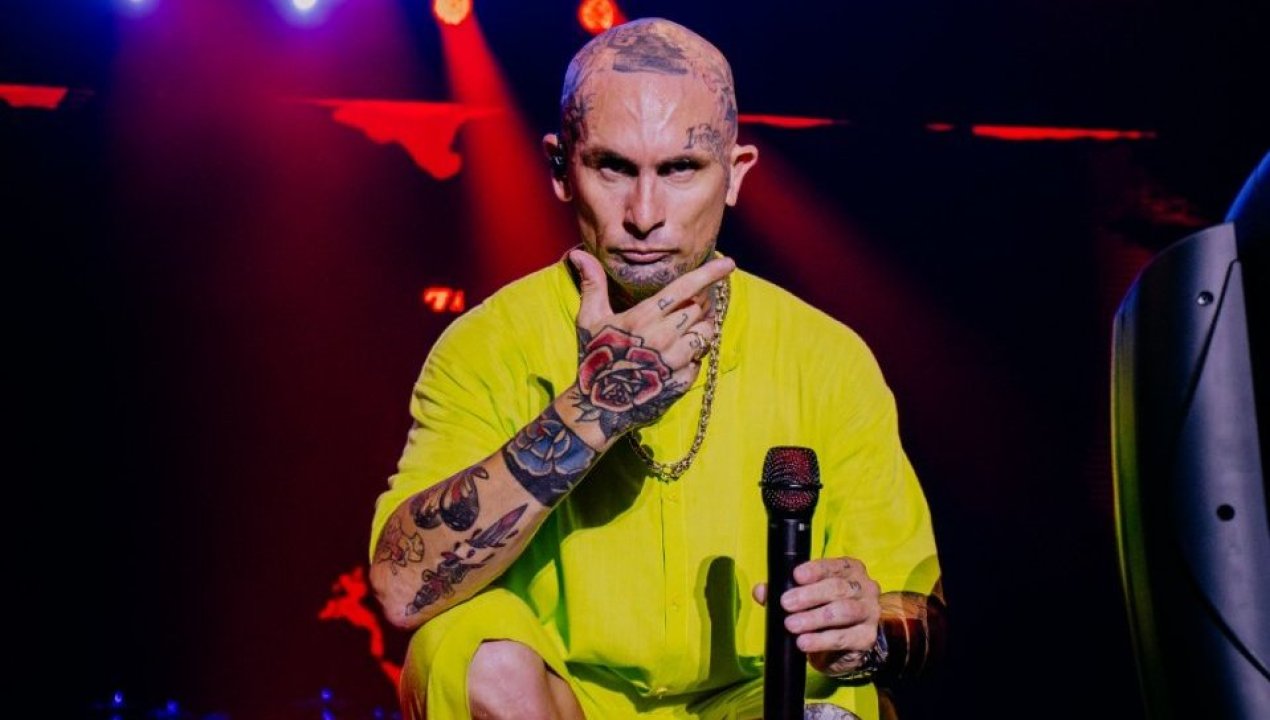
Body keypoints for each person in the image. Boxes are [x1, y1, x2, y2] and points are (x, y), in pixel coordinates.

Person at [368, 17, 944, 720]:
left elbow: (920, 612)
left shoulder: (825, 356)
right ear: (561, 169)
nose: (644, 214)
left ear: (735, 174)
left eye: (680, 169)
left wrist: (867, 633)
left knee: (840, 705)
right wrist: (594, 410)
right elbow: (403, 590)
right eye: (612, 167)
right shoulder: (488, 344)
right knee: (469, 653)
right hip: (562, 701)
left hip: (753, 702)